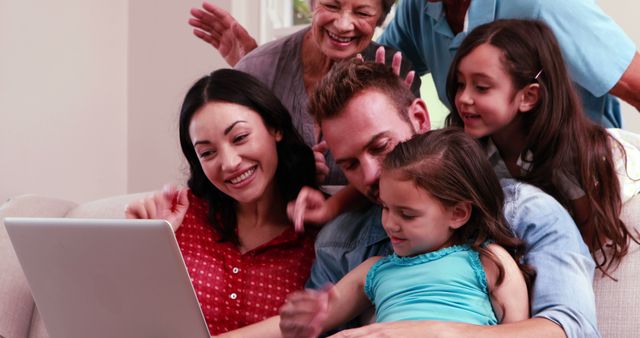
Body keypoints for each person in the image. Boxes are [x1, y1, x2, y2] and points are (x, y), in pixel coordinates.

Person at [219, 60, 599, 337]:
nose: (370, 175)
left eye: (380, 146)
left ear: (419, 117)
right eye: (349, 163)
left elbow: (571, 327)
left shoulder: (524, 214)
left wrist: (431, 331)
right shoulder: (343, 244)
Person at [278, 128, 534, 338]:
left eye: (408, 214)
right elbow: (318, 317)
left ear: (458, 214)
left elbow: (519, 331)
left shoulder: (487, 260)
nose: (390, 223)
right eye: (386, 208)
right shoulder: (374, 269)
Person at [124, 69, 318, 336]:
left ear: (275, 128)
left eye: (239, 138)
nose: (229, 163)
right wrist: (147, 246)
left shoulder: (321, 231)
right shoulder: (181, 218)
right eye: (207, 152)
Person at [445, 19, 640, 275]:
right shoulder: (470, 147)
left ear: (528, 96)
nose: (463, 98)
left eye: (482, 87)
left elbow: (588, 245)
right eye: (460, 84)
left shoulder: (569, 154)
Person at [189, 0, 420, 185]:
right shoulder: (258, 68)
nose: (342, 24)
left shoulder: (395, 71)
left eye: (363, 13)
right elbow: (230, 167)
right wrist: (294, 172)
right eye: (331, 6)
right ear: (311, 3)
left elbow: (410, 173)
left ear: (380, 19)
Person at [378, 0, 640, 129]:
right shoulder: (419, 8)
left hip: (580, 178)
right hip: (495, 184)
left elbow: (635, 83)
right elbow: (373, 70)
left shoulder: (543, 5)